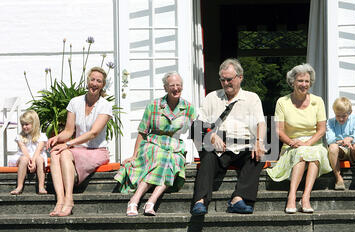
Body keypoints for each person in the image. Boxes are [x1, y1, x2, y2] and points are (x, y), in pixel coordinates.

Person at [190, 58, 266, 216]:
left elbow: (261, 123)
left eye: (229, 79)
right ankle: (200, 201)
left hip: (244, 146)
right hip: (220, 148)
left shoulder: (252, 98)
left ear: (240, 77)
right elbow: (198, 124)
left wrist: (259, 142)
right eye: (222, 80)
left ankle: (238, 199)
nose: (225, 83)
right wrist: (211, 135)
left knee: (259, 156)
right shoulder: (212, 97)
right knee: (208, 156)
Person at [114, 72, 196, 216]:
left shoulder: (188, 108)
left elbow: (197, 130)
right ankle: (140, 200)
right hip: (153, 142)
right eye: (172, 86)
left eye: (179, 85)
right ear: (165, 88)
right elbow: (142, 131)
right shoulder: (154, 105)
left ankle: (146, 201)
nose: (176, 88)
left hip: (174, 145)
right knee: (162, 158)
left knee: (173, 160)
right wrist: (134, 155)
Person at [47, 67, 112, 217]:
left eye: (99, 81)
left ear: (103, 85)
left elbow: (93, 133)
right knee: (56, 152)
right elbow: (69, 131)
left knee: (65, 153)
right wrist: (56, 138)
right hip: (78, 149)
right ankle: (60, 200)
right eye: (92, 79)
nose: (94, 83)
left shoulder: (105, 105)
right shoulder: (75, 102)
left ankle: (69, 199)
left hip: (97, 151)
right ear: (87, 81)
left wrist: (68, 144)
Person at [266, 64, 332, 214]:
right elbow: (278, 131)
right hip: (291, 145)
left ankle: (306, 197)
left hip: (314, 144)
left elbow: (322, 130)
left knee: (311, 153)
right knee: (302, 152)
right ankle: (292, 196)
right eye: (300, 81)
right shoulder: (282, 102)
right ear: (293, 82)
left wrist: (307, 143)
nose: (304, 84)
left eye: (307, 81)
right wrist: (292, 142)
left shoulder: (318, 101)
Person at [326, 97, 355, 190]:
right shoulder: (330, 122)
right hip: (339, 151)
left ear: (349, 113)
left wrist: (350, 138)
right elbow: (330, 140)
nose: (341, 119)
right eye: (338, 116)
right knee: (332, 147)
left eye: (344, 116)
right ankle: (338, 178)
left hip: (352, 150)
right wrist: (343, 141)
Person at [8, 110, 48, 195]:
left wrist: (33, 161)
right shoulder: (20, 137)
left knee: (39, 159)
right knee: (24, 159)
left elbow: (38, 150)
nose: (24, 127)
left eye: (26, 124)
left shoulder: (42, 136)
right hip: (24, 156)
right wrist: (30, 161)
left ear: (34, 124)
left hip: (37, 156)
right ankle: (19, 186)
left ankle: (41, 186)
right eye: (22, 125)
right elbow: (23, 150)